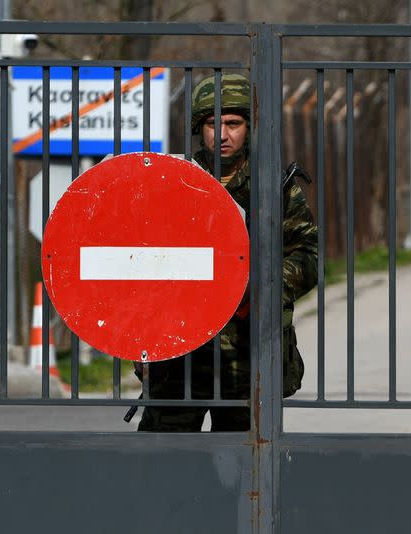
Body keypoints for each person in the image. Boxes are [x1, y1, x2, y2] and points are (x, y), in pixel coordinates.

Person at [136, 73, 318, 432]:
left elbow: (307, 256)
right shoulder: (176, 180)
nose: (221, 135)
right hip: (180, 352)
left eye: (233, 124)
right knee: (163, 463)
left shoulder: (272, 186)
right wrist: (140, 340)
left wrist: (258, 285)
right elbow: (144, 262)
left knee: (243, 468)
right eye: (211, 124)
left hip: (247, 355)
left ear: (249, 126)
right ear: (198, 128)